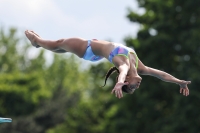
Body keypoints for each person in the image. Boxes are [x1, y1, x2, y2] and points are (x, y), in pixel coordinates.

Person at [25, 30, 191, 99]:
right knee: (60, 48)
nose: (137, 87)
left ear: (126, 81)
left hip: (88, 49)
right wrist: (179, 82)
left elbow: (123, 70)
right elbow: (162, 75)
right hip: (98, 52)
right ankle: (38, 43)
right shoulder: (140, 67)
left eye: (131, 88)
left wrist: (119, 83)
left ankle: (37, 42)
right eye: (133, 88)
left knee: (59, 43)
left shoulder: (124, 65)